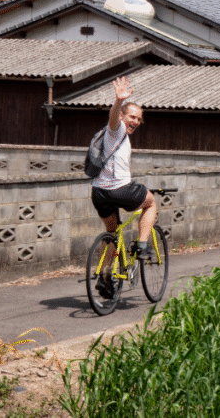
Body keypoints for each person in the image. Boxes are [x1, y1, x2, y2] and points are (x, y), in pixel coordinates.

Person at [90, 76, 157, 296]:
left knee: (111, 231)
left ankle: (105, 275)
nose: (136, 121)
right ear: (122, 116)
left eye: (139, 119)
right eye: (132, 117)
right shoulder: (115, 130)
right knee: (151, 203)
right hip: (120, 190)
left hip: (99, 192)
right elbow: (112, 119)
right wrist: (118, 101)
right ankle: (142, 245)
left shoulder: (119, 136)